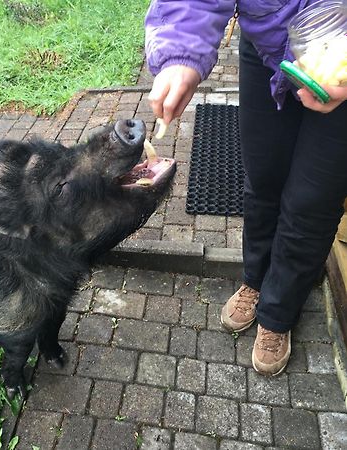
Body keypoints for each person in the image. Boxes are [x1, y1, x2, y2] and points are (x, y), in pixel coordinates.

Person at [145, 0, 347, 376]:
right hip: (268, 46)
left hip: (341, 57)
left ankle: (279, 311)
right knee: (263, 177)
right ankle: (256, 279)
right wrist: (180, 52)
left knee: (311, 202)